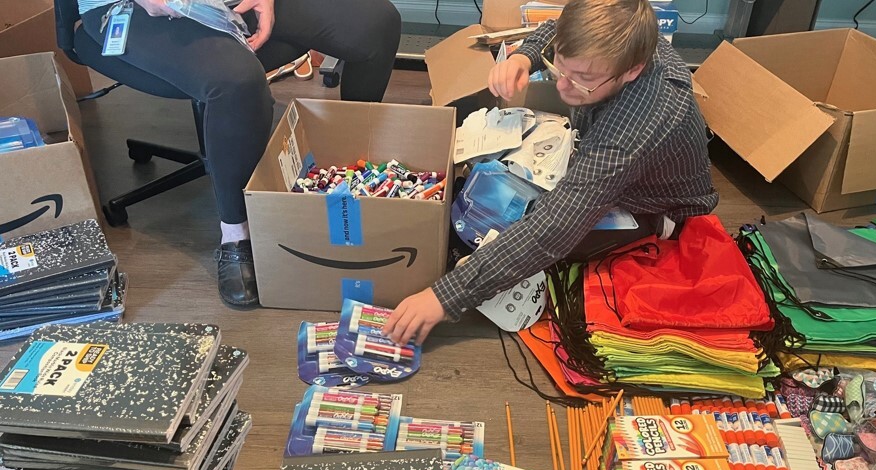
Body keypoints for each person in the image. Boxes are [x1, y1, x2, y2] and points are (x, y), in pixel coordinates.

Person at [383, 0, 718, 345]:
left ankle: (652, 231)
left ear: (632, 70)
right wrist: (523, 57)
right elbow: (555, 29)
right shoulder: (620, 34)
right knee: (495, 179)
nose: (562, 86)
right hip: (600, 157)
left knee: (518, 221)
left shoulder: (638, 127)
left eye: (584, 79)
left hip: (654, 208)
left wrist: (443, 298)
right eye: (559, 67)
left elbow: (553, 228)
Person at [75, 0, 401, 306]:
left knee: (376, 23)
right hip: (132, 8)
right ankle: (236, 234)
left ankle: (354, 173)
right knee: (237, 81)